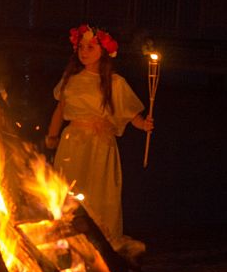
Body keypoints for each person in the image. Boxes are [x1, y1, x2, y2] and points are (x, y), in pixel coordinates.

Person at [45, 24, 153, 256]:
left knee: (100, 192)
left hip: (100, 145)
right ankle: (67, 236)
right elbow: (60, 111)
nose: (84, 52)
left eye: (90, 47)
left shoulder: (115, 82)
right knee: (69, 188)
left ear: (103, 51)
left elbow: (129, 113)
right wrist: (52, 136)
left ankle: (102, 240)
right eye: (81, 47)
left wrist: (143, 124)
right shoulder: (70, 80)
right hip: (72, 142)